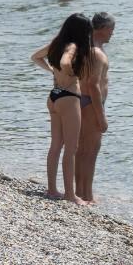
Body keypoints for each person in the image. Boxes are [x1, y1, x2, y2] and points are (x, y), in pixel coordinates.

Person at [31, 13, 96, 204]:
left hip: (54, 95)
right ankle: (70, 194)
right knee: (71, 148)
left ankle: (52, 189)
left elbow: (35, 57)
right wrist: (68, 73)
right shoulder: (73, 46)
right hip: (68, 98)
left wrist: (52, 71)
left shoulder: (56, 42)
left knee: (56, 145)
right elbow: (66, 62)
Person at [76, 12, 113, 205]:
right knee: (91, 151)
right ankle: (87, 196)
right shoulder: (97, 52)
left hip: (82, 100)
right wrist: (102, 116)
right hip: (91, 103)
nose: (112, 34)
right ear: (102, 29)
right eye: (111, 29)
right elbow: (93, 85)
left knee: (82, 150)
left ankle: (80, 191)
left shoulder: (86, 47)